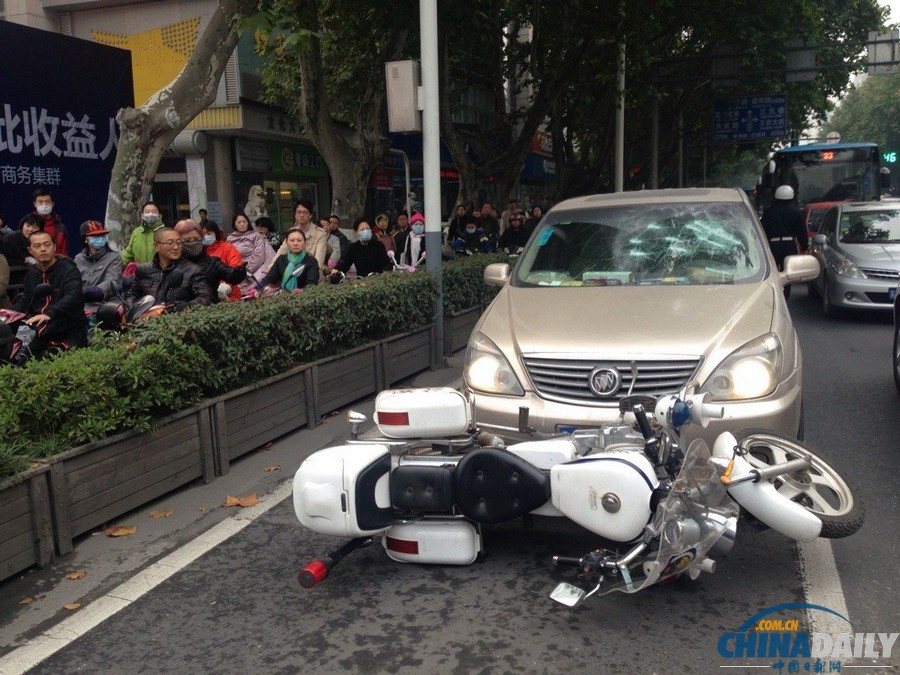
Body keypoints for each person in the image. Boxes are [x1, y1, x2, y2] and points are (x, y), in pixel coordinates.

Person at [12, 230, 87, 361]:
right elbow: (26, 301)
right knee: (20, 361)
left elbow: (74, 296)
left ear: (54, 247)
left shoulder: (68, 270)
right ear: (30, 250)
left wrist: (50, 314)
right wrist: (6, 314)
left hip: (68, 330)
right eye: (37, 246)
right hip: (41, 332)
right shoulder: (32, 274)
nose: (43, 249)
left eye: (46, 245)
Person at [125, 227, 214, 312]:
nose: (176, 247)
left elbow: (205, 297)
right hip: (147, 322)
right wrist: (134, 311)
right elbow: (132, 294)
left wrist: (184, 307)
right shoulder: (143, 270)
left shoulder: (193, 270)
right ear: (156, 246)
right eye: (170, 243)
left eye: (179, 243)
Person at [175, 219, 246, 301]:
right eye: (187, 240)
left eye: (195, 239)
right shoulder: (173, 265)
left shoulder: (212, 262)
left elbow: (229, 274)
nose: (192, 243)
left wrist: (238, 272)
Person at [761, 185, 808, 298]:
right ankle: (785, 296)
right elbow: (801, 230)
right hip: (789, 245)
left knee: (771, 271)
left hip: (772, 245)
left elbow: (762, 229)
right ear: (792, 197)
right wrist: (804, 246)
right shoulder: (796, 212)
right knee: (788, 272)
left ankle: (771, 292)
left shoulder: (769, 212)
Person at [74, 220, 123, 313]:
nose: (100, 239)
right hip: (82, 306)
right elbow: (73, 282)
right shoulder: (78, 259)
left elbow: (112, 281)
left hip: (106, 306)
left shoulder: (114, 257)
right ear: (86, 239)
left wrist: (95, 291)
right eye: (96, 236)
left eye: (103, 236)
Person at [226, 211, 276, 293]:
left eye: (244, 221)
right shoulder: (230, 239)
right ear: (234, 224)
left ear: (248, 223)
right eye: (239, 222)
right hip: (236, 269)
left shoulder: (256, 235)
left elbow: (259, 256)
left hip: (255, 268)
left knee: (258, 280)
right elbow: (227, 257)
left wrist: (246, 271)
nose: (242, 224)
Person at [256, 227, 320, 292]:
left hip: (304, 298)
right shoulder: (281, 259)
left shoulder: (311, 261)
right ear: (286, 242)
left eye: (299, 240)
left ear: (304, 243)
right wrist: (257, 289)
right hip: (282, 296)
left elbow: (311, 284)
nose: (295, 243)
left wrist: (302, 291)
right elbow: (269, 278)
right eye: (292, 240)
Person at [121, 201, 165, 267]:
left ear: (160, 216)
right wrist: (117, 267)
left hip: (160, 273)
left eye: (154, 212)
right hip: (140, 273)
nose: (150, 214)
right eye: (147, 212)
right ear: (142, 215)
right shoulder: (137, 232)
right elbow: (128, 253)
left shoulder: (165, 232)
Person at [28, 188, 68, 257]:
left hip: (57, 265)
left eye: (47, 202)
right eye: (40, 202)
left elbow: (63, 253)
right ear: (35, 204)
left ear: (52, 204)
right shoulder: (28, 225)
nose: (44, 205)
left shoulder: (60, 227)